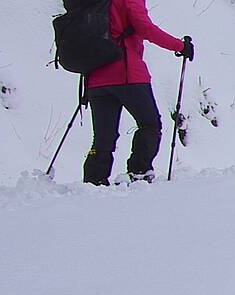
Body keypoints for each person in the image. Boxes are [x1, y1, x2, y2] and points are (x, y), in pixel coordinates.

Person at [81, 0, 192, 186]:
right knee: (150, 124)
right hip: (126, 74)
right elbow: (145, 28)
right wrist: (180, 46)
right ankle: (139, 172)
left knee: (102, 136)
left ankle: (94, 179)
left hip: (95, 77)